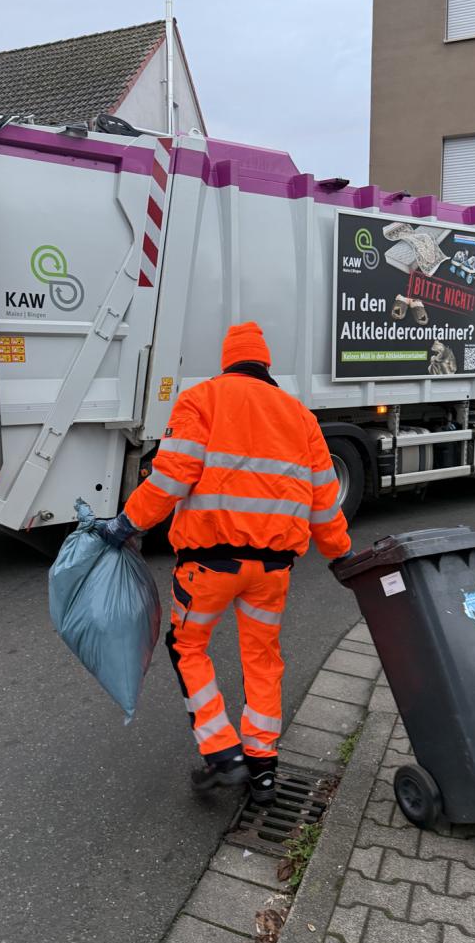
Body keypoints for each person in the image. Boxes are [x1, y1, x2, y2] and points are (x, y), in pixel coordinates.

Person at [99, 322, 353, 803]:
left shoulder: (202, 400)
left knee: (187, 646)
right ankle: (263, 767)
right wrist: (341, 554)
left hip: (210, 566)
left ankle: (222, 753)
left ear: (228, 360)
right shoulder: (300, 416)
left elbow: (172, 478)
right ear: (265, 363)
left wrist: (126, 524)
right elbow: (324, 500)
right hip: (273, 570)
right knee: (263, 658)